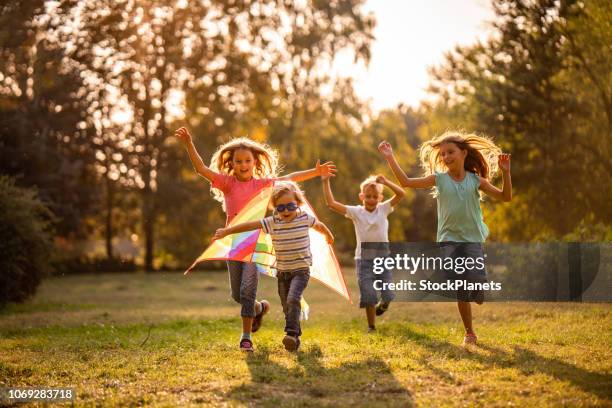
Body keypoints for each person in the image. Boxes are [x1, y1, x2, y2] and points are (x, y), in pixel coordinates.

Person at [175, 127, 336, 351]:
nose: (243, 165)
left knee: (247, 290)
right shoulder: (227, 183)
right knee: (237, 294)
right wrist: (189, 143)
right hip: (233, 244)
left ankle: (246, 337)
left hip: (254, 243)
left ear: (254, 162)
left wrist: (315, 172)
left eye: (247, 161)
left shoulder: (262, 185)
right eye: (238, 161)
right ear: (232, 163)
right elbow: (201, 168)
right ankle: (260, 309)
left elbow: (289, 179)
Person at [379, 132, 512, 345]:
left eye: (451, 152)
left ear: (464, 153)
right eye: (443, 154)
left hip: (472, 239)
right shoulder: (439, 179)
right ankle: (469, 333)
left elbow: (506, 197)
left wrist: (506, 173)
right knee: (460, 286)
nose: (446, 157)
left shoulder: (475, 180)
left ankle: (478, 287)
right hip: (449, 240)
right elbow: (406, 182)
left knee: (475, 284)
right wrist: (389, 157)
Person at [213, 181, 334, 352]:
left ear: (298, 204)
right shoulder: (273, 222)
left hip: (301, 271)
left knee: (293, 299)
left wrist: (328, 235)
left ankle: (290, 334)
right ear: (275, 209)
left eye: (290, 206)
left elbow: (319, 225)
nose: (286, 211)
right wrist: (227, 231)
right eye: (280, 208)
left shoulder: (305, 218)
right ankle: (295, 337)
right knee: (287, 306)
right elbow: (250, 225)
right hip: (282, 273)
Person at [321, 174, 404, 332]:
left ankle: (385, 303)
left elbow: (401, 194)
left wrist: (386, 182)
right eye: (368, 196)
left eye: (374, 196)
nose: (371, 199)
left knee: (387, 293)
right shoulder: (356, 212)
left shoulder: (384, 209)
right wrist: (325, 181)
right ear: (361, 196)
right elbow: (331, 204)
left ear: (380, 198)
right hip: (363, 260)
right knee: (368, 293)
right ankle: (371, 326)